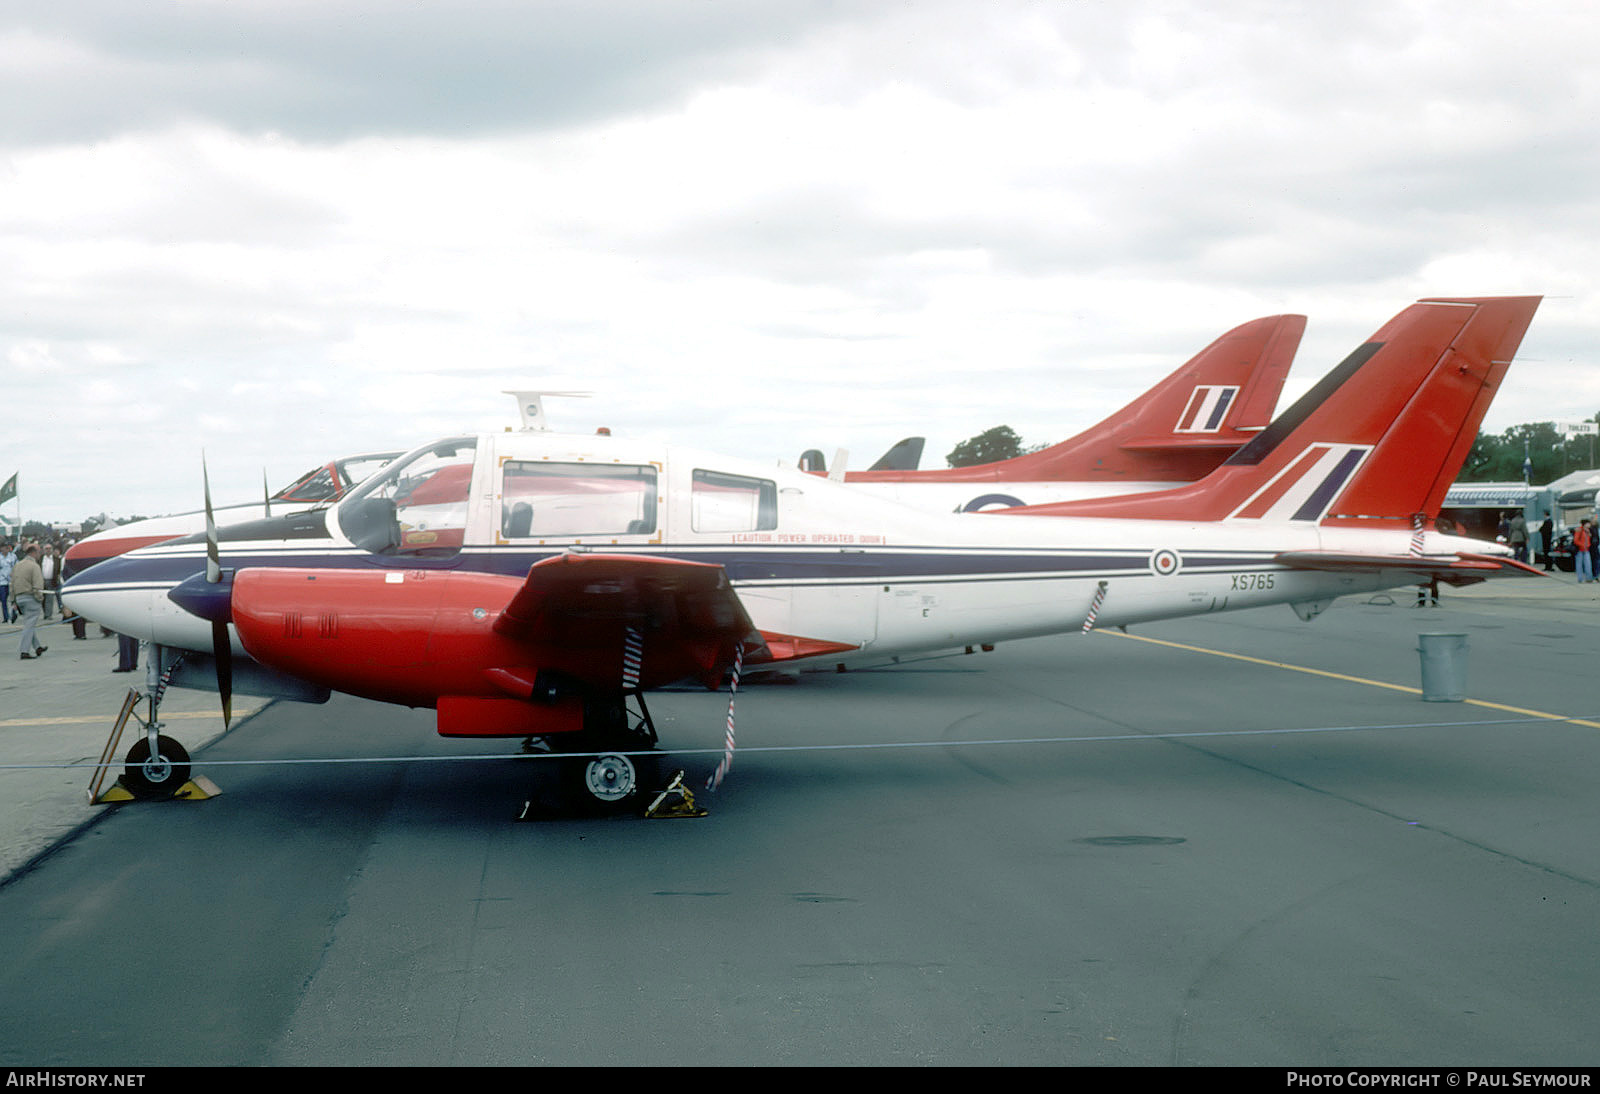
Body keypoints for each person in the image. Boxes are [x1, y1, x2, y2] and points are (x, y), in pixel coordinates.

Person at [13, 544, 47, 660]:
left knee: (29, 623)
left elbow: (12, 583)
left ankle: (37, 647)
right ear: (34, 553)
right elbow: (38, 585)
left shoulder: (17, 565)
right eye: (38, 552)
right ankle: (24, 651)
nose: (39, 555)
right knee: (29, 625)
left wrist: (13, 600)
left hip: (19, 598)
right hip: (31, 598)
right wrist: (40, 598)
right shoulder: (34, 566)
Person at [1574, 519, 1594, 584]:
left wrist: (1588, 545)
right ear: (1585, 524)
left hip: (1586, 550)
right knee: (1579, 565)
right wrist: (1582, 545)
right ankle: (1580, 579)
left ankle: (1589, 578)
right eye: (1588, 523)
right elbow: (1576, 540)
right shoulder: (1579, 530)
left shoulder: (1587, 531)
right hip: (1580, 550)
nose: (1590, 525)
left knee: (1588, 564)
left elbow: (1589, 540)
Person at [0, 541, 14, 624]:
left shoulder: (13, 557)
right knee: (4, 600)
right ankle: (6, 617)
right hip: (1, 582)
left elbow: (16, 566)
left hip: (11, 581)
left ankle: (13, 614)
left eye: (5, 548)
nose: (3, 549)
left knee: (12, 599)